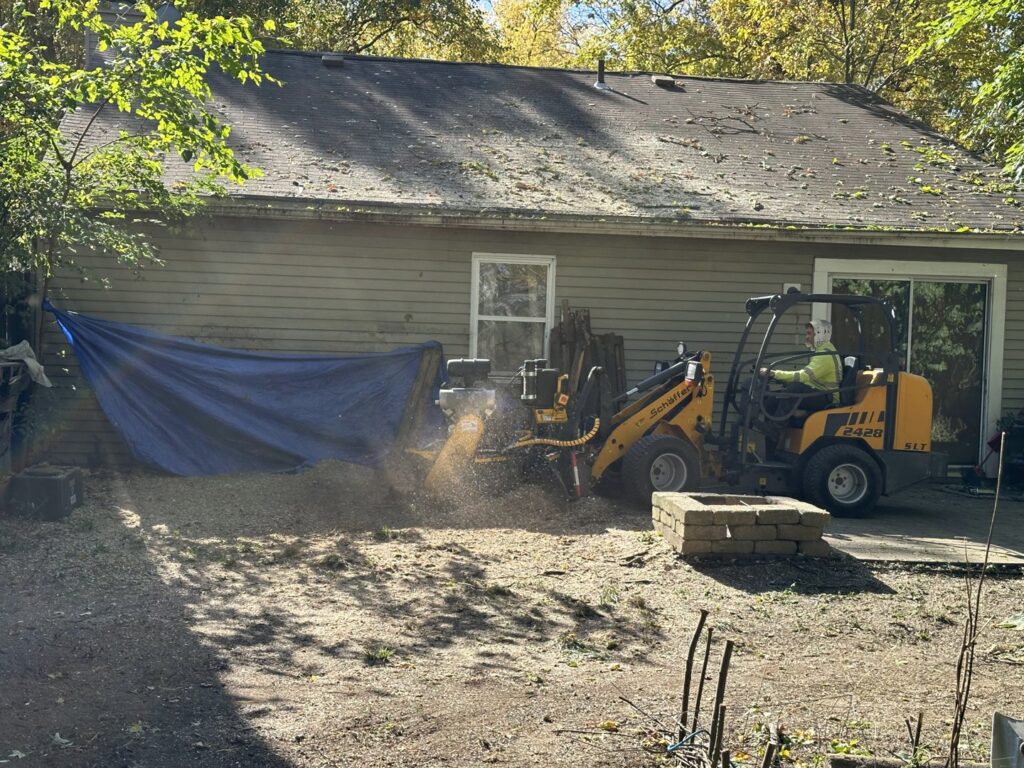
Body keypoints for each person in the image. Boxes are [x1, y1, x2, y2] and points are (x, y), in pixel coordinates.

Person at [759, 319, 841, 417]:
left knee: (795, 389)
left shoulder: (825, 355)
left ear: (820, 334)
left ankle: (776, 427)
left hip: (828, 398)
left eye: (809, 333)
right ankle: (771, 427)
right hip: (820, 392)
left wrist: (774, 373)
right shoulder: (822, 350)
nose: (806, 337)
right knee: (774, 399)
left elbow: (803, 376)